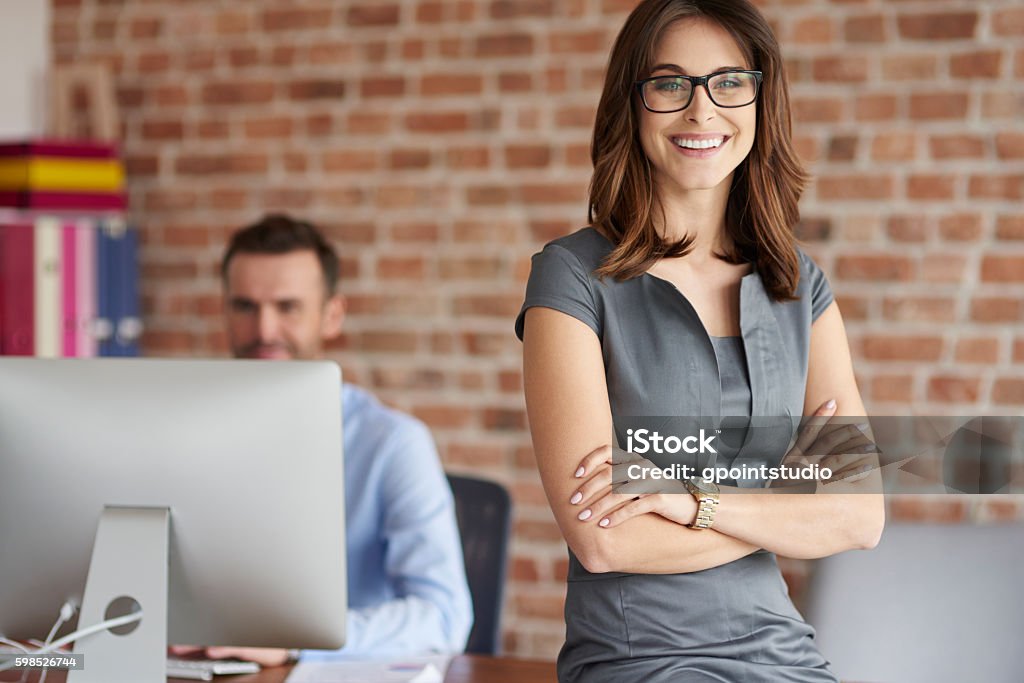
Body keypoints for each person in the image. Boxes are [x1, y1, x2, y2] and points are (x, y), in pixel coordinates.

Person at [516, 1, 884, 681]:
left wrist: (691, 500)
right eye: (670, 83)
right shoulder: (570, 277)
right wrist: (782, 497)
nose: (701, 110)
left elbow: (859, 517)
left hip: (784, 656)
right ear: (632, 103)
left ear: (759, 99)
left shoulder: (798, 284)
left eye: (729, 82)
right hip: (640, 658)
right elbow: (603, 537)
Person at [176, 213, 472, 665]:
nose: (264, 331)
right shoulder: (186, 435)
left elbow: (445, 617)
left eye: (287, 307)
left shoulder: (393, 444)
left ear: (332, 315)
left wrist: (295, 641)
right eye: (244, 306)